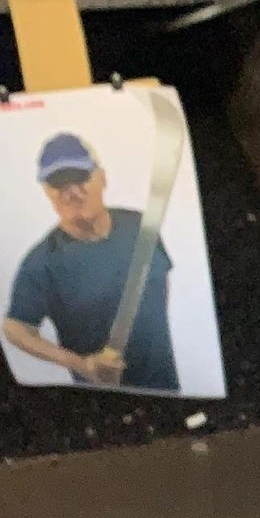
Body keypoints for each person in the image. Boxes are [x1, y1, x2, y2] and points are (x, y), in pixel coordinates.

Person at [2, 132, 179, 392]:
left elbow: (159, 280)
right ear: (47, 192)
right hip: (104, 397)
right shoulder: (42, 262)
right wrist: (81, 364)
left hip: (169, 384)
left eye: (80, 177)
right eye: (58, 183)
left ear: (102, 177)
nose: (71, 192)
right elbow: (15, 328)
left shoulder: (140, 225)